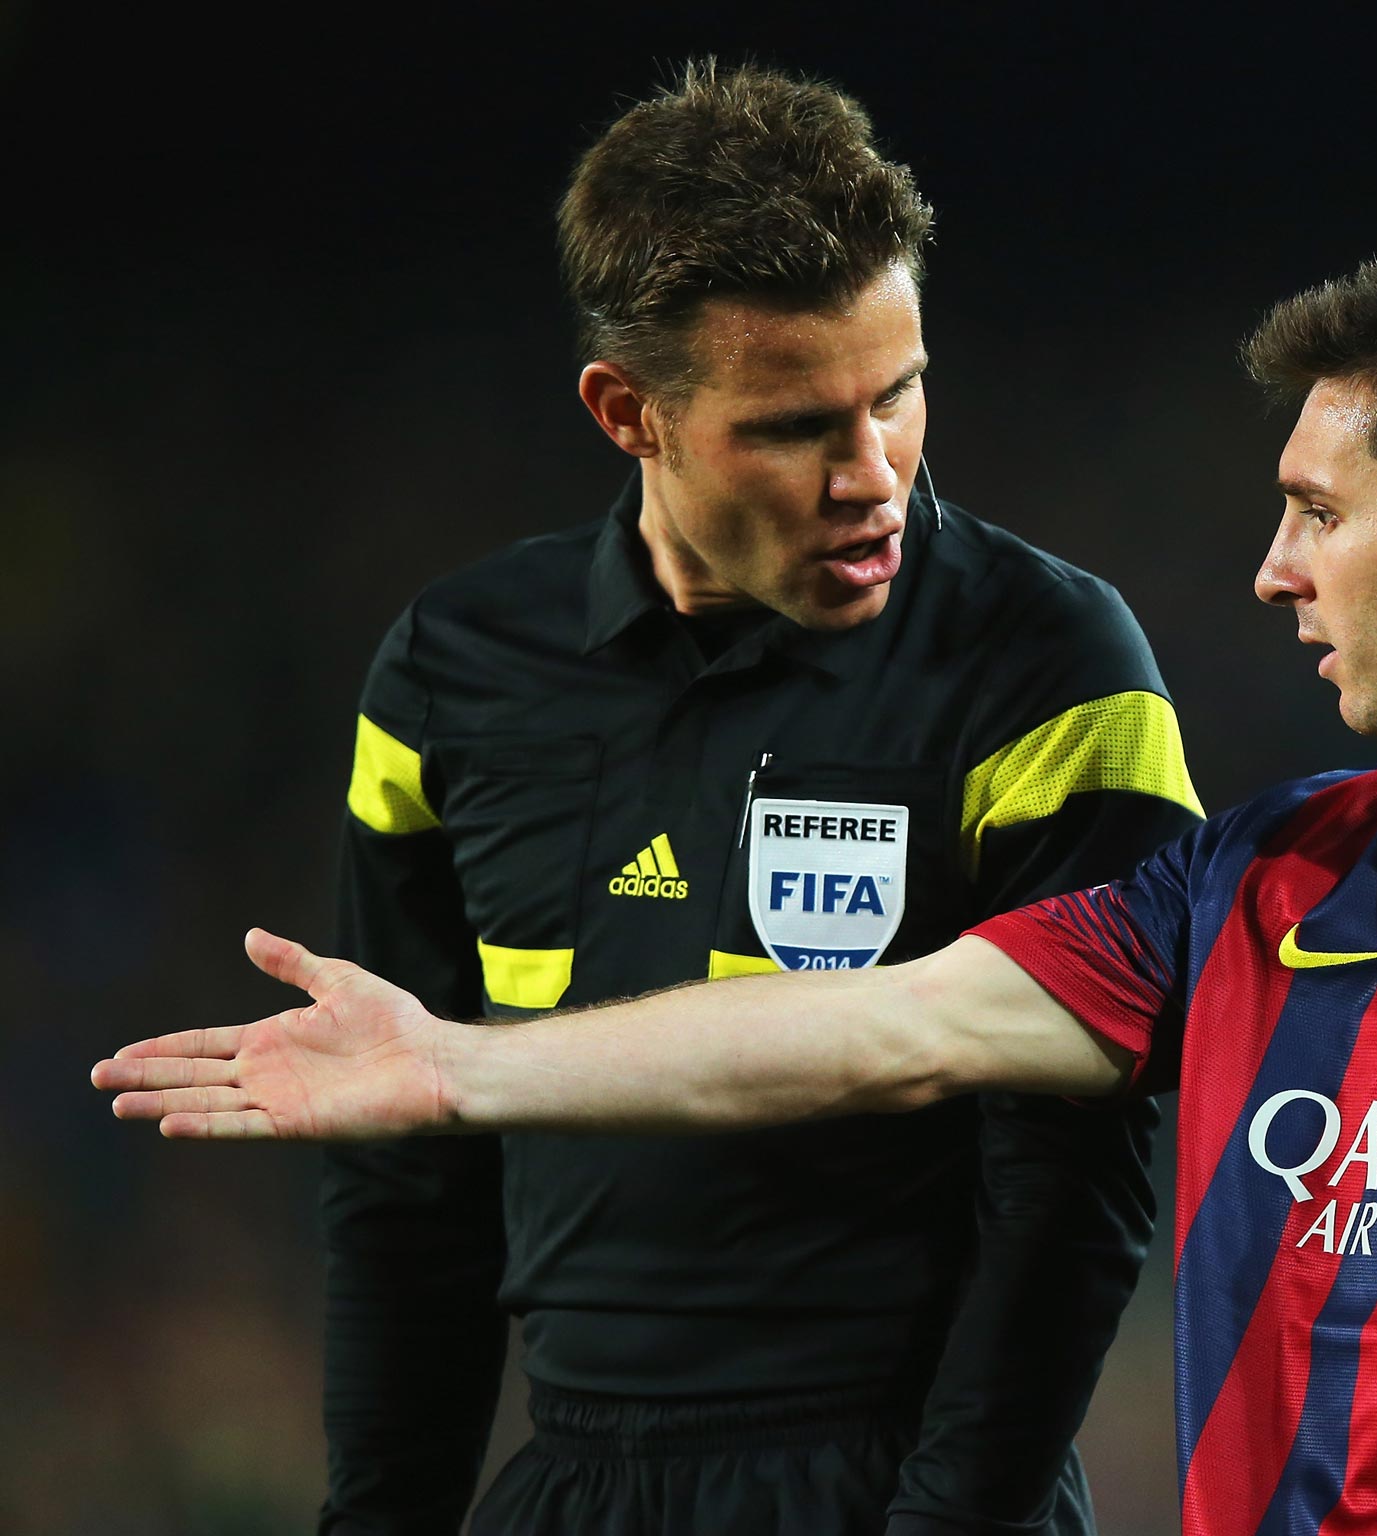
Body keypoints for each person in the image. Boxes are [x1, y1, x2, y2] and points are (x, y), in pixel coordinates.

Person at [96, 243, 1377, 1536]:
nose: (1271, 571)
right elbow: (892, 1023)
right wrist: (469, 1067)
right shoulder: (1284, 872)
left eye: (1320, 513)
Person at [262, 60, 1204, 1536]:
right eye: (793, 427)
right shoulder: (454, 671)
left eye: (899, 395)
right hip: (567, 1481)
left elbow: (1074, 1190)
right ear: (625, 410)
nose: (873, 472)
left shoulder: (1049, 661)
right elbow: (404, 1186)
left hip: (906, 1483)